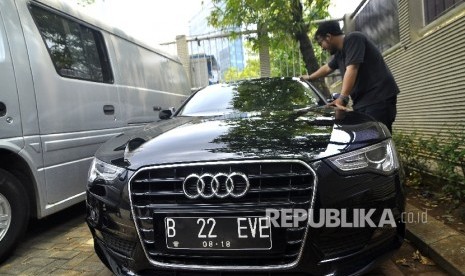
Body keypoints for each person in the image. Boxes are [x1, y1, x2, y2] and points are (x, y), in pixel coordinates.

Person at [300, 21, 399, 133]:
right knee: (367, 138)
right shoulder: (340, 54)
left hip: (378, 98)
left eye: (320, 43)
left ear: (328, 37)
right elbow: (327, 68)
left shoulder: (354, 39)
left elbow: (352, 69)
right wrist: (309, 77)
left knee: (376, 138)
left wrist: (342, 98)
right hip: (363, 102)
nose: (322, 48)